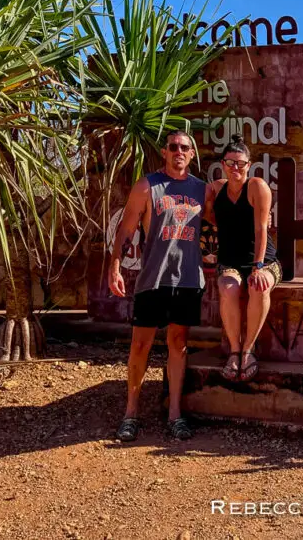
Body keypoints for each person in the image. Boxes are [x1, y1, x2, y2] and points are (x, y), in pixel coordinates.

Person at [108, 130, 206, 442]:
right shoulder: (147, 186)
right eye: (174, 147)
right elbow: (126, 228)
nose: (179, 151)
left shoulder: (202, 190)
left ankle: (175, 414)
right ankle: (131, 412)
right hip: (153, 279)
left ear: (192, 154)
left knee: (178, 345)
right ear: (164, 152)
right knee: (140, 346)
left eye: (185, 148)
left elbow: (223, 220)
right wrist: (114, 267)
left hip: (188, 279)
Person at [204, 134, 281, 382]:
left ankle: (248, 350)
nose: (234, 167)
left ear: (249, 165)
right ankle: (234, 352)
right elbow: (209, 216)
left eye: (240, 163)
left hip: (264, 260)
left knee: (259, 287)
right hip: (230, 261)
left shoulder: (257, 186)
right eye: (230, 163)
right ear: (222, 165)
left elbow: (261, 230)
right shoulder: (216, 189)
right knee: (228, 288)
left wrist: (258, 267)